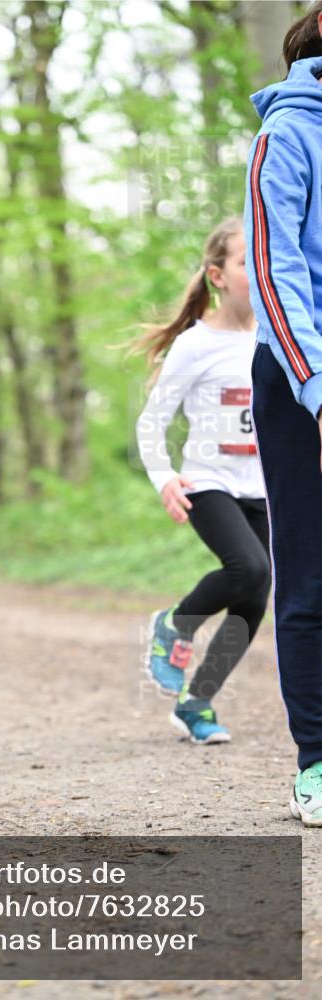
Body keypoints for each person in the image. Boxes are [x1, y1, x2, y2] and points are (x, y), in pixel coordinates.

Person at [134, 217, 270, 745]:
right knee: (249, 566)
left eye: (263, 258)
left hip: (264, 486)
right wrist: (164, 476)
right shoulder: (196, 345)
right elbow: (152, 421)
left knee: (255, 595)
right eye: (245, 261)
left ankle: (198, 703)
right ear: (217, 274)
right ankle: (175, 623)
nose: (258, 270)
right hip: (208, 481)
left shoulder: (278, 336)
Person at [244, 4, 322, 826]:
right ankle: (316, 763)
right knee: (310, 575)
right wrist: (315, 388)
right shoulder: (286, 135)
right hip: (304, 374)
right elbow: (273, 272)